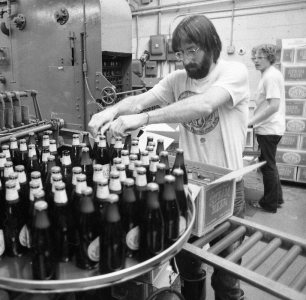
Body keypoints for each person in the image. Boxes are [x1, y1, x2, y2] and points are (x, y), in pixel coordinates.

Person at [88, 15, 249, 300]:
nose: (186, 59)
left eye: (192, 50)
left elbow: (203, 105)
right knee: (189, 268)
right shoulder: (177, 79)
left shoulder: (234, 73)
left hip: (227, 187)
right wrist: (110, 111)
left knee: (227, 279)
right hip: (188, 187)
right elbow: (140, 99)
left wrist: (143, 119)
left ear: (211, 44)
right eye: (180, 53)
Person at [248, 44, 285, 213]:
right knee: (270, 165)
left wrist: (251, 121)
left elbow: (274, 106)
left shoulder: (270, 76)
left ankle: (269, 204)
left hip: (269, 129)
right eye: (254, 57)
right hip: (271, 128)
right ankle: (277, 198)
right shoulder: (269, 75)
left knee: (267, 166)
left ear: (270, 58)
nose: (256, 60)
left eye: (260, 57)